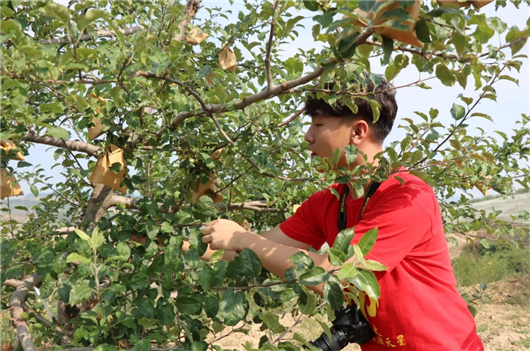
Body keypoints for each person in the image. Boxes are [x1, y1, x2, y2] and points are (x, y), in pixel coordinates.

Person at [198, 75, 484, 351]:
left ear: (358, 132)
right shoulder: (329, 201)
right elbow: (250, 250)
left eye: (318, 124)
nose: (308, 137)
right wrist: (188, 249)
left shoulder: (408, 197)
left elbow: (334, 276)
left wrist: (244, 238)